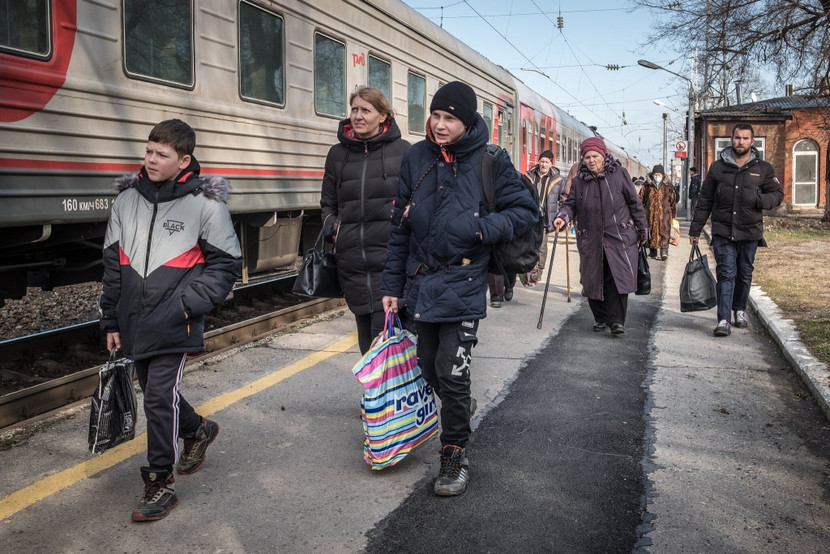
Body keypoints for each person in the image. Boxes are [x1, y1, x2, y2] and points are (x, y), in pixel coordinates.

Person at [381, 81, 537, 496]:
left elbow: (525, 211)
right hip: (422, 282)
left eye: (450, 118)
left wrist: (481, 229)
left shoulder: (491, 160)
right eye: (435, 115)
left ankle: (453, 456)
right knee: (428, 365)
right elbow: (399, 228)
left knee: (452, 372)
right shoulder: (417, 158)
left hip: (465, 281)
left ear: (467, 122)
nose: (439, 124)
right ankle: (457, 412)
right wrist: (391, 285)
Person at [99, 119, 242, 521]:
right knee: (157, 394)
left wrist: (189, 303)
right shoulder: (126, 201)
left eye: (161, 154)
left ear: (184, 160)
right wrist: (110, 320)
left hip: (176, 319)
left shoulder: (205, 204)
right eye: (148, 151)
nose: (151, 160)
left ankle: (158, 482)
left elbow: (227, 263)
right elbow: (112, 267)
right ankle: (197, 429)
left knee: (159, 397)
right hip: (132, 320)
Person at [320, 86, 409, 354]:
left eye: (365, 110)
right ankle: (377, 395)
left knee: (383, 343)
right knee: (366, 344)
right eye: (354, 109)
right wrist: (336, 230)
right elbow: (327, 204)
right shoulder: (338, 155)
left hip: (390, 264)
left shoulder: (404, 151)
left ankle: (382, 395)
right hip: (354, 265)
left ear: (383, 115)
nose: (357, 116)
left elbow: (414, 203)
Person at [689, 123, 783, 337]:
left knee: (744, 273)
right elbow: (705, 200)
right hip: (723, 231)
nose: (741, 142)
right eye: (737, 138)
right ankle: (723, 319)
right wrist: (696, 229)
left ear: (752, 141)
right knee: (726, 273)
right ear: (731, 139)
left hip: (750, 232)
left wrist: (759, 200)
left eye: (745, 138)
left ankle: (739, 310)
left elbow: (777, 194)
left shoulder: (763, 168)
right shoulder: (718, 167)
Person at [552, 137, 649, 335]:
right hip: (591, 238)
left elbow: (635, 204)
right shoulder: (579, 181)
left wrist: (642, 228)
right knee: (593, 277)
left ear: (603, 156)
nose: (591, 160)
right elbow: (570, 204)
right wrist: (563, 217)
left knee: (616, 277)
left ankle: (617, 321)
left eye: (595, 156)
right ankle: (601, 318)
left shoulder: (619, 174)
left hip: (619, 236)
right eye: (587, 157)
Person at [523, 149, 565, 286]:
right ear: (538, 162)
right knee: (529, 245)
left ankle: (538, 273)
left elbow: (563, 198)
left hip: (545, 219)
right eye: (542, 161)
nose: (543, 164)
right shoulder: (529, 176)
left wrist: (564, 215)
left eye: (547, 162)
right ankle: (529, 270)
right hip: (530, 216)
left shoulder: (558, 179)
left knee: (541, 247)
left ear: (551, 164)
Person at [639, 164, 677, 260]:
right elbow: (640, 198)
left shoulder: (668, 186)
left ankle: (664, 251)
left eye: (659, 175)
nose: (657, 177)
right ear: (652, 175)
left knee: (664, 231)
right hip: (650, 213)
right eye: (655, 175)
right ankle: (653, 252)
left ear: (663, 175)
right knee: (651, 231)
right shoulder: (646, 185)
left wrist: (673, 215)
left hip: (664, 214)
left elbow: (673, 200)